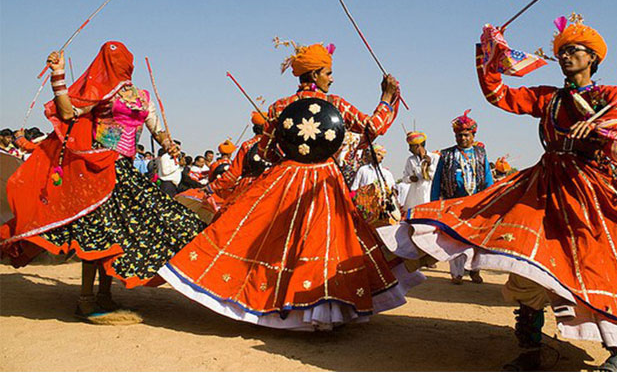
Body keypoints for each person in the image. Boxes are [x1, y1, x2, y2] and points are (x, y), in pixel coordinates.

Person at [380, 17, 617, 371]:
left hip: (590, 191)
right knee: (528, 262)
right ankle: (530, 349)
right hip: (544, 186)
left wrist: (599, 123)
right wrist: (489, 56)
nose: (565, 56)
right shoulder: (549, 97)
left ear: (592, 59)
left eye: (573, 51)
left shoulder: (609, 96)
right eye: (562, 51)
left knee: (599, 267)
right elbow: (499, 95)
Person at [159, 41, 423, 330]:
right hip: (324, 181)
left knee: (278, 245)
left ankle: (282, 307)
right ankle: (322, 315)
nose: (331, 78)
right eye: (328, 73)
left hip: (284, 180)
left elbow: (266, 151)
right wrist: (386, 96)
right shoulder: (335, 104)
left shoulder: (278, 106)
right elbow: (374, 128)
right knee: (324, 243)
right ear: (314, 75)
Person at [0, 43, 206, 321]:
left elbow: (157, 129)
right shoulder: (103, 93)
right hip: (97, 171)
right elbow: (67, 113)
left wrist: (170, 146)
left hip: (124, 171)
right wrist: (58, 76)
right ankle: (87, 300)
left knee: (121, 233)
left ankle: (103, 296)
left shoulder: (140, 97)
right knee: (96, 234)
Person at [430, 110, 494, 285]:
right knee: (454, 238)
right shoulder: (447, 155)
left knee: (476, 238)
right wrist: (435, 204)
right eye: (459, 136)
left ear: (473, 135)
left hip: (476, 203)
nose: (462, 139)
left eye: (466, 135)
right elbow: (436, 181)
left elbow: (488, 178)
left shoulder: (481, 154)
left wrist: (490, 201)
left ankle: (474, 270)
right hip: (453, 203)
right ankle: (456, 273)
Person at [401, 131, 440, 211]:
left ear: (418, 146)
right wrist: (410, 178)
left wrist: (429, 165)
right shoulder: (410, 160)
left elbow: (436, 177)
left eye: (411, 146)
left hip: (429, 195)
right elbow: (404, 178)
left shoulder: (434, 158)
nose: (409, 149)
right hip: (414, 198)